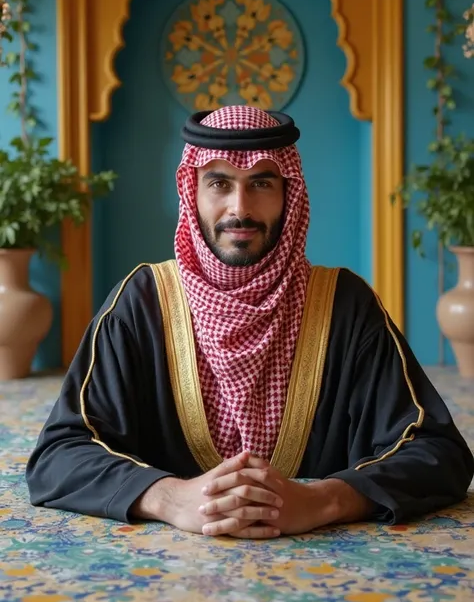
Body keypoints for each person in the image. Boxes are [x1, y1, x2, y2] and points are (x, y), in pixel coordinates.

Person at [26, 105, 474, 539]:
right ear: (191, 193)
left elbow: (439, 452)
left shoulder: (344, 304)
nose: (239, 208)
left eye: (261, 183)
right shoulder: (142, 302)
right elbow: (59, 455)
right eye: (219, 183)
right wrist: (171, 498)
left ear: (288, 194)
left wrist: (323, 501)